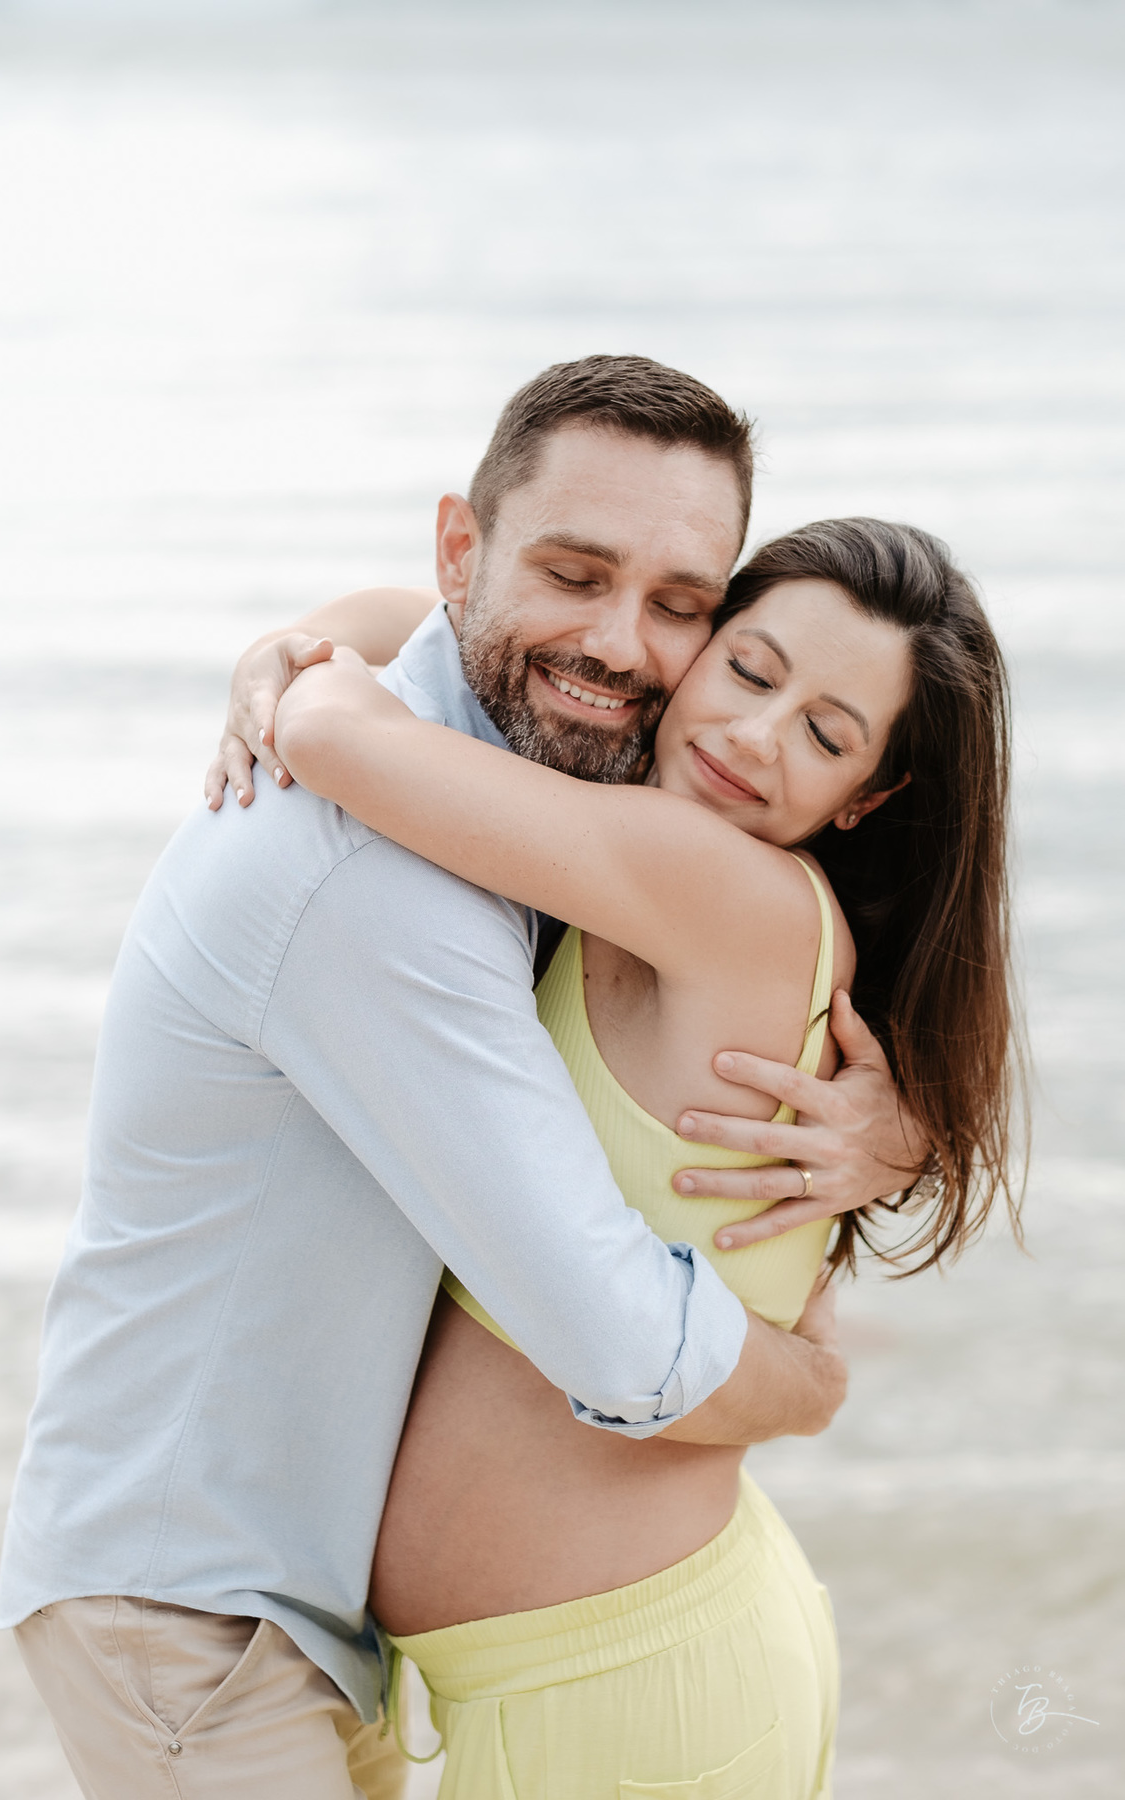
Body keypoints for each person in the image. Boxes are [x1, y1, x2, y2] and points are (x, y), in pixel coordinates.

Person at [0, 357, 921, 1800]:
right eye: (574, 573)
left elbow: (405, 641)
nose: (621, 644)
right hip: (191, 1610)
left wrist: (894, 1132)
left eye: (680, 606)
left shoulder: (516, 777)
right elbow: (616, 1338)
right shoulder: (377, 883)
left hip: (302, 1613)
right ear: (459, 552)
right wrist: (802, 1385)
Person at [254, 513, 1021, 1797]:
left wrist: (283, 665)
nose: (753, 739)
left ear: (868, 797)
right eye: (749, 669)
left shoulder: (715, 884)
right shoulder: (660, 864)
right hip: (600, 1665)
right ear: (698, 642)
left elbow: (338, 733)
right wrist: (301, 640)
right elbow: (417, 621)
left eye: (827, 736)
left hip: (625, 1692)